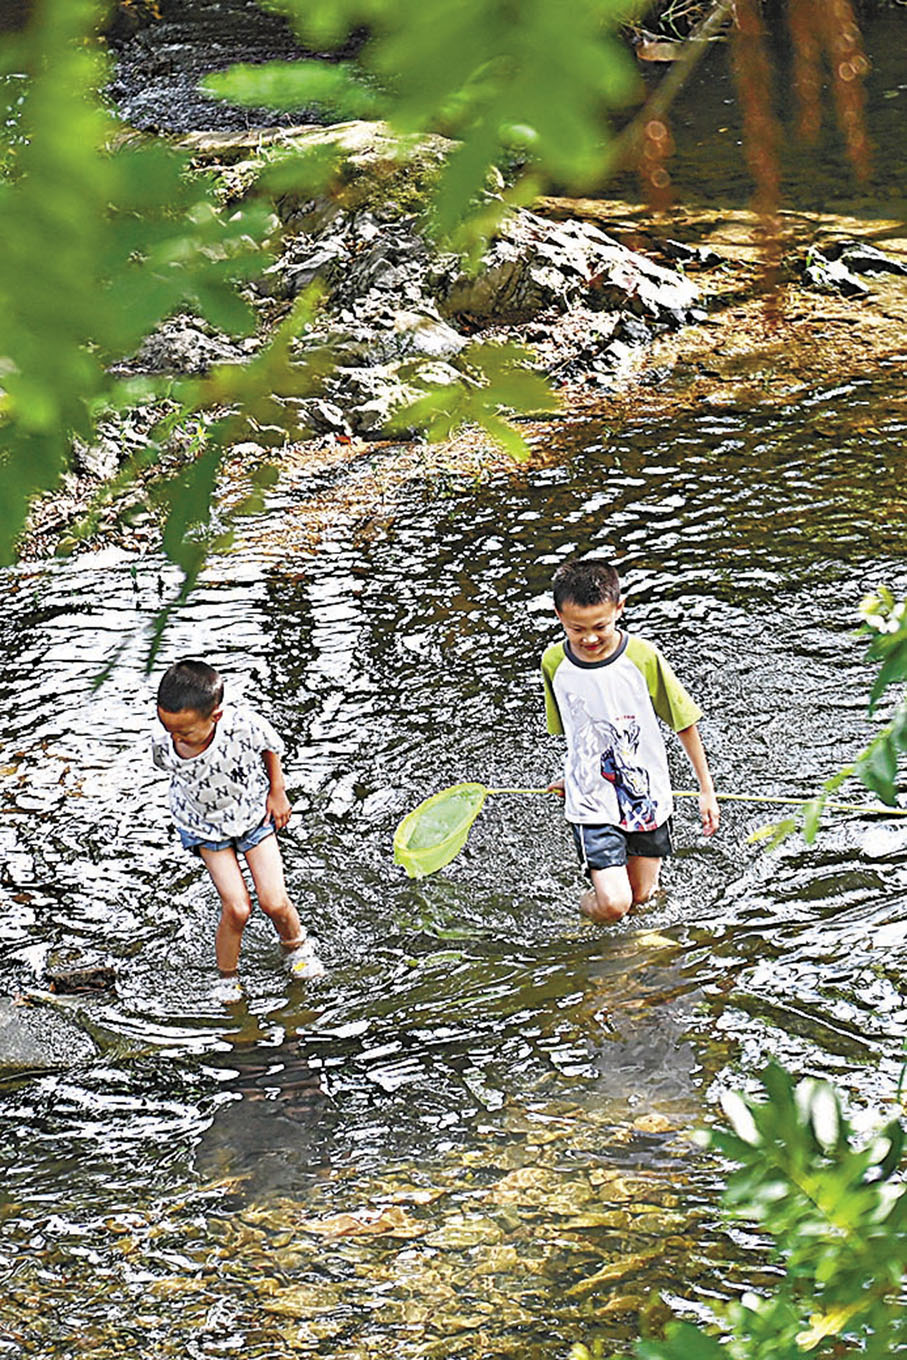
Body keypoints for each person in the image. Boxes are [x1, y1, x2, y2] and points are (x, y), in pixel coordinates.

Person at [542, 559, 719, 923]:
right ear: (559, 615)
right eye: (577, 628)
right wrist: (574, 775)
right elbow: (576, 731)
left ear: (619, 609)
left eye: (600, 626)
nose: (589, 638)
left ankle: (637, 949)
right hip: (593, 800)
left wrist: (706, 789)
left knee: (642, 897)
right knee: (614, 904)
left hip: (646, 795)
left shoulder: (643, 658)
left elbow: (683, 722)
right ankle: (583, 910)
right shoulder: (554, 662)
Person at [152, 658, 323, 1003]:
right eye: (168, 727)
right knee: (238, 908)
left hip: (252, 813)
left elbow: (271, 748)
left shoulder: (241, 725)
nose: (175, 737)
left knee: (273, 901)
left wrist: (278, 791)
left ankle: (296, 947)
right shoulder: (164, 742)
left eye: (184, 732)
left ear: (214, 716)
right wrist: (177, 740)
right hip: (203, 825)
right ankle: (228, 977)